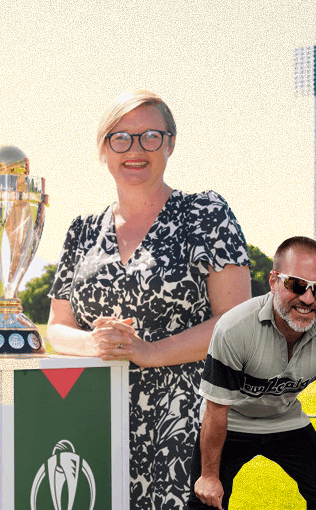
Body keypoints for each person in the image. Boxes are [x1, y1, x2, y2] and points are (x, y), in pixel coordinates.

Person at [47, 90, 253, 509]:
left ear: (171, 144)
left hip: (182, 422)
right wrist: (92, 344)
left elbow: (236, 322)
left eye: (150, 137)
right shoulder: (81, 230)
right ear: (104, 150)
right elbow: (56, 328)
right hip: (93, 417)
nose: (135, 149)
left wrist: (149, 351)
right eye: (120, 138)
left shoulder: (204, 214)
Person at [189, 236, 316, 509]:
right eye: (296, 284)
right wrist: (209, 476)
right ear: (273, 281)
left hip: (285, 419)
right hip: (231, 420)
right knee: (205, 498)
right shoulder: (234, 328)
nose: (308, 298)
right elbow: (216, 410)